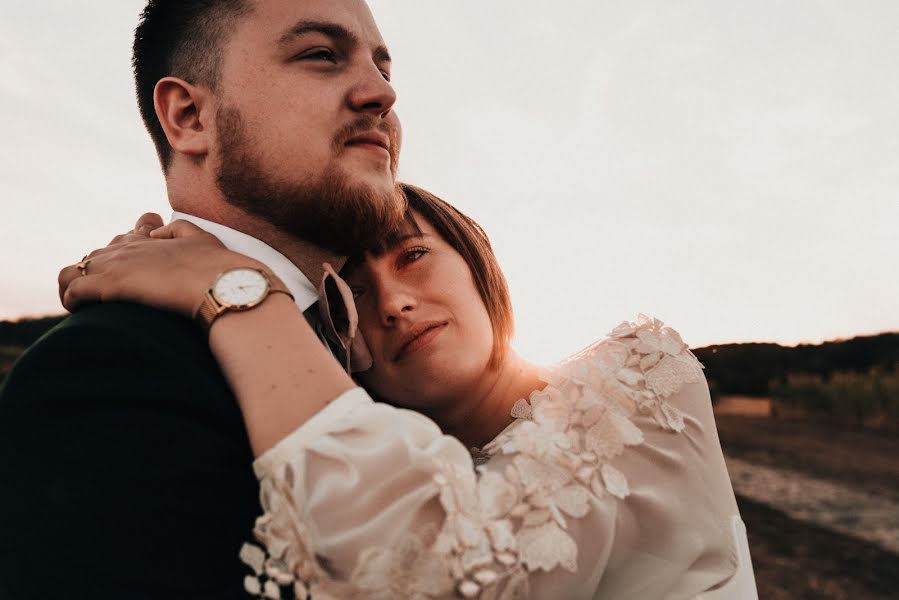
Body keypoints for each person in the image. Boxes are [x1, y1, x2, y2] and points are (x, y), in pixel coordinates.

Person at [56, 184, 759, 599]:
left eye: (413, 256)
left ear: (477, 262)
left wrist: (232, 293)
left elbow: (444, 570)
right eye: (351, 295)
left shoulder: (637, 377)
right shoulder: (357, 463)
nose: (391, 303)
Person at [0, 1, 406, 599]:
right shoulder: (109, 373)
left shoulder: (394, 363)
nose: (381, 93)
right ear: (189, 116)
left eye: (385, 69)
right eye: (322, 55)